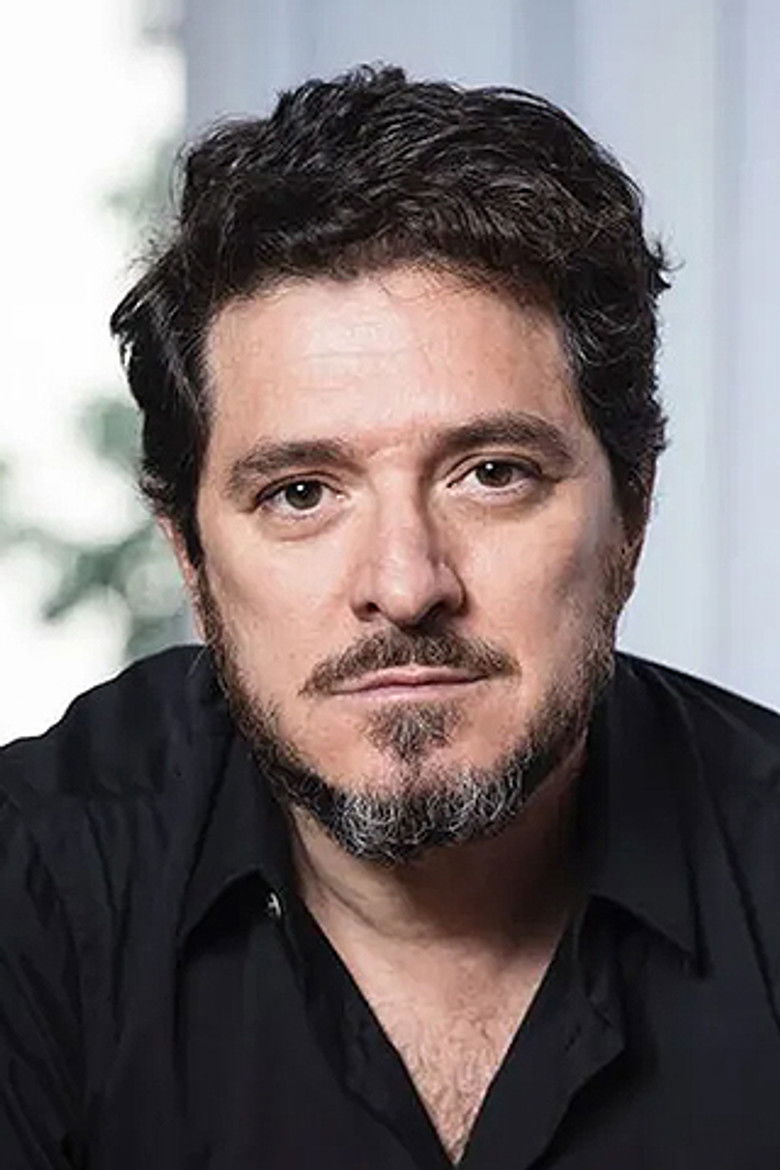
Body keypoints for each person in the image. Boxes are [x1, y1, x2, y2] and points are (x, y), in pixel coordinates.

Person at [2, 64, 779, 1170]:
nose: (407, 586)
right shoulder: (33, 887)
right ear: (190, 556)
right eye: (301, 494)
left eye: (493, 473)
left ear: (632, 516)